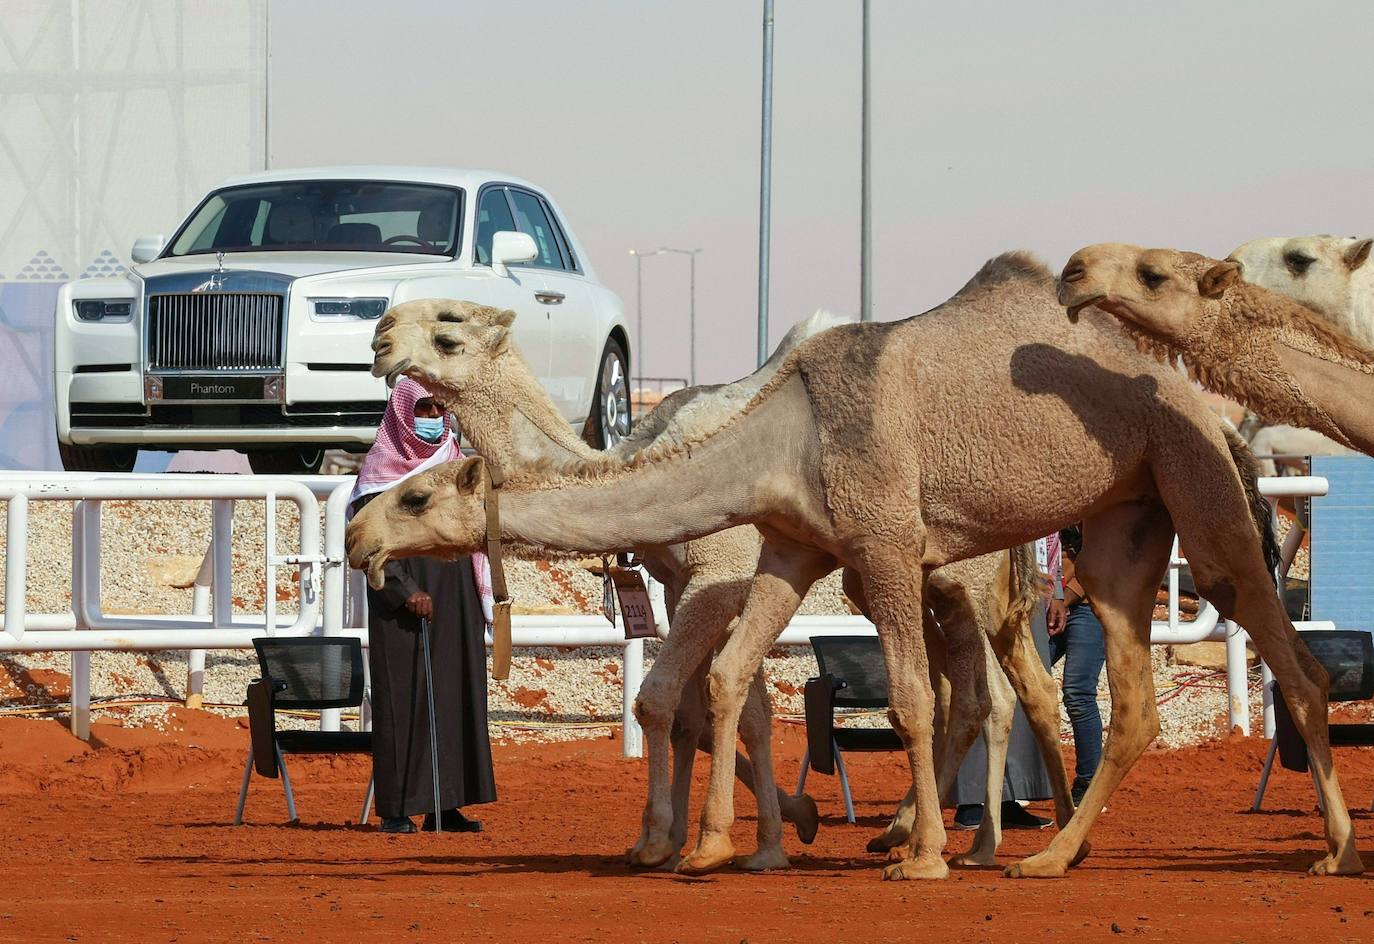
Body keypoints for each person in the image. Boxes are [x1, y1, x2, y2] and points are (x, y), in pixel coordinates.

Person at [350, 378, 497, 834]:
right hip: (402, 606)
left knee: (455, 697)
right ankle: (397, 807)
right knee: (404, 702)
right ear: (402, 413)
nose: (433, 419)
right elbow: (366, 541)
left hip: (456, 597)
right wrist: (404, 589)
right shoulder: (381, 471)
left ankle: (445, 805)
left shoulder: (456, 463)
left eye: (439, 410)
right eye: (424, 410)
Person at [951, 543, 1056, 831]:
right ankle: (970, 799)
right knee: (975, 684)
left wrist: (1055, 592)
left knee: (1023, 690)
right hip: (978, 571)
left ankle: (1009, 798)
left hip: (1024, 577)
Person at [1045, 524, 1106, 807]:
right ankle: (1016, 782)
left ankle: (1089, 781)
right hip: (1050, 603)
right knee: (1017, 686)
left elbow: (1101, 556)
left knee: (1078, 692)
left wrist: (1063, 601)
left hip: (1087, 604)